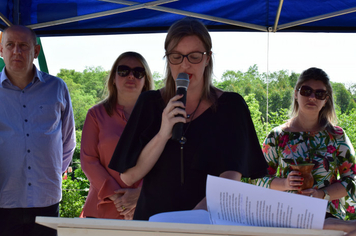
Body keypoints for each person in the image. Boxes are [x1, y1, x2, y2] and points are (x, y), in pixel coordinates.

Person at [108, 17, 268, 220]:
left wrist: (191, 220)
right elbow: (128, 176)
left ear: (208, 58)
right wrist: (163, 133)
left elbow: (231, 176)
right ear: (167, 59)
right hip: (153, 224)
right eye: (176, 56)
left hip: (206, 223)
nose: (185, 64)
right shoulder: (149, 103)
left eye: (194, 56)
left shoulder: (231, 107)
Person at [0, 25, 75, 235]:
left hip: (46, 199)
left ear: (36, 51)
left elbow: (68, 141)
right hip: (3, 200)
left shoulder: (57, 88)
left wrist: (49, 175)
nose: (17, 51)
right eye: (10, 45)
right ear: (1, 50)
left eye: (23, 45)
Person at [255, 67, 356, 219]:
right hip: (284, 216)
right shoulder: (278, 135)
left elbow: (352, 180)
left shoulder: (337, 136)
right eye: (306, 91)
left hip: (326, 218)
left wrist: (322, 194)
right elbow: (257, 178)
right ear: (296, 94)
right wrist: (285, 184)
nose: (312, 97)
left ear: (326, 100)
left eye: (320, 93)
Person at [80, 51, 154, 220]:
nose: (131, 76)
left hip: (145, 209)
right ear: (113, 78)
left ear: (145, 80)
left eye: (138, 72)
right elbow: (88, 160)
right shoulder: (95, 115)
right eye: (123, 71)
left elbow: (165, 161)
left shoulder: (158, 117)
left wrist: (139, 194)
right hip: (102, 209)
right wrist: (118, 198)